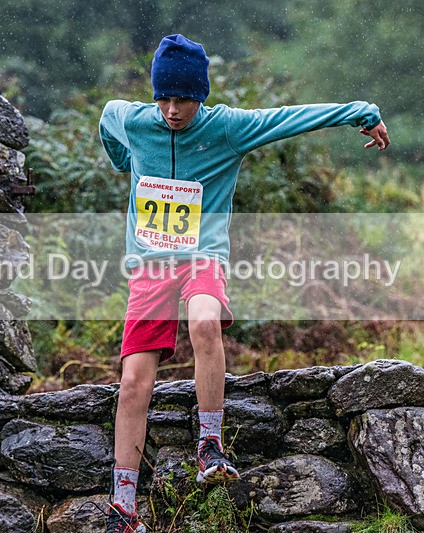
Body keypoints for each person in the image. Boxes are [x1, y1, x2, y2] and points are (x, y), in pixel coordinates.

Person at [98, 34, 389, 532]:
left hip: (201, 259)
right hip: (149, 267)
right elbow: (107, 121)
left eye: (183, 99)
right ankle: (123, 507)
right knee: (131, 384)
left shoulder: (226, 128)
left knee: (205, 325)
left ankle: (210, 445)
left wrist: (361, 111)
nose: (171, 110)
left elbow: (288, 117)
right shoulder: (132, 120)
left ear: (201, 96)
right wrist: (126, 162)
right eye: (163, 98)